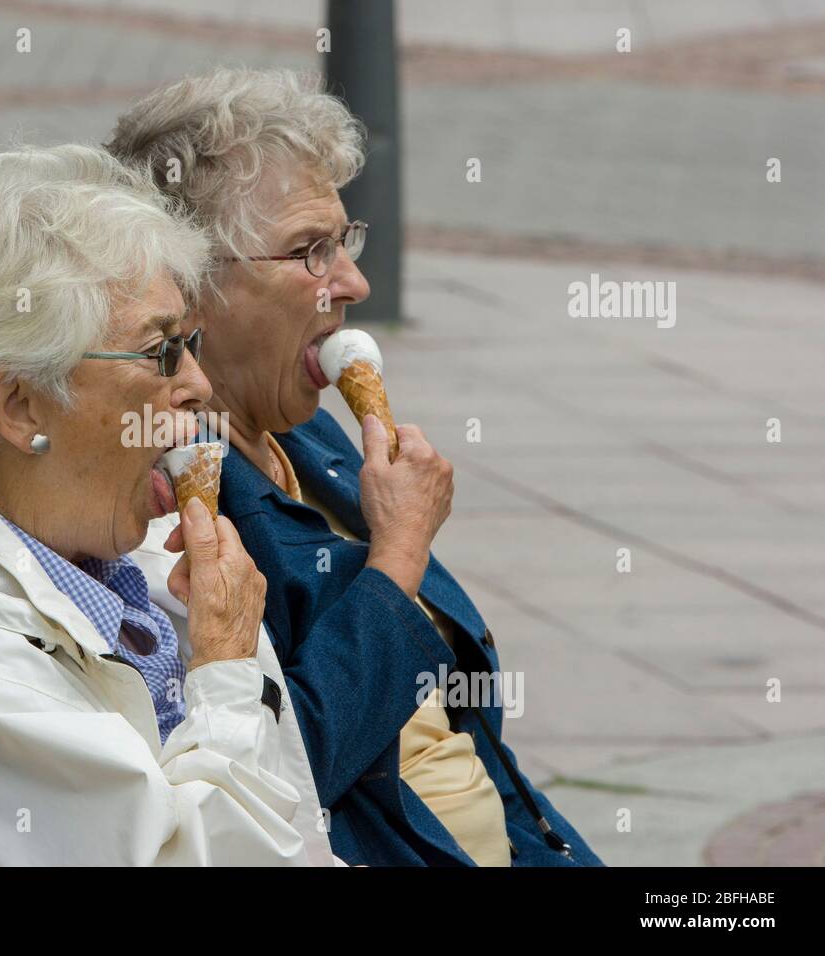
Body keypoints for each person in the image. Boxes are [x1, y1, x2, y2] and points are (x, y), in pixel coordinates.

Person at [0, 144, 334, 865]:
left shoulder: (119, 560)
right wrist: (228, 673)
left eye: (189, 342)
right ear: (20, 406)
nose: (199, 383)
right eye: (160, 350)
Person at [108, 68, 602, 866]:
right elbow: (279, 771)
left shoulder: (315, 443)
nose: (354, 283)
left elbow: (462, 731)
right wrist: (399, 556)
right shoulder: (167, 506)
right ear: (192, 287)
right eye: (310, 252)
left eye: (345, 241)